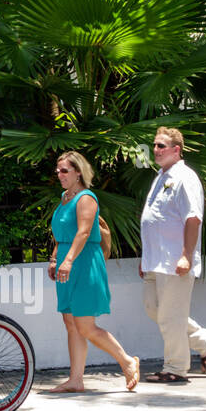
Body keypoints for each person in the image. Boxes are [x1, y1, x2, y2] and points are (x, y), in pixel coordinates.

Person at [46, 152, 139, 393]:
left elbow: (84, 233)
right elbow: (63, 234)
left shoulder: (87, 198)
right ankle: (76, 379)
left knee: (85, 325)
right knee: (71, 323)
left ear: (79, 172)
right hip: (68, 262)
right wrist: (55, 259)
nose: (60, 175)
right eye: (58, 170)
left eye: (64, 170)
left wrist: (67, 261)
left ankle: (127, 361)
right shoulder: (65, 198)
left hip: (84, 264)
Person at [138, 128, 206, 383]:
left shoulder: (186, 177)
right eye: (154, 145)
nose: (156, 150)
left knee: (170, 316)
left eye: (162, 146)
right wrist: (145, 257)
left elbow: (193, 218)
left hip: (175, 260)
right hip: (155, 260)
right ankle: (204, 340)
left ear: (177, 149)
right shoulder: (161, 176)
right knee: (154, 309)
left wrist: (186, 255)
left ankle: (175, 368)